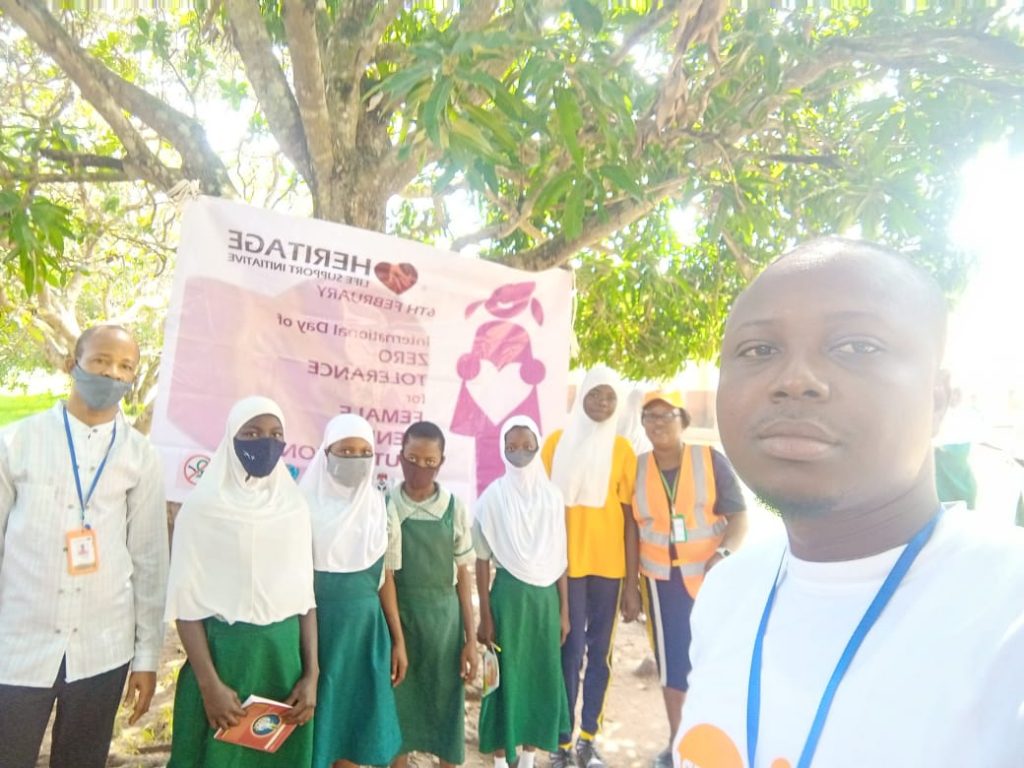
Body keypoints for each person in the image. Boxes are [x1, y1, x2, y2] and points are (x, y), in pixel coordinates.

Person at [674, 238, 1024, 767]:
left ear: (936, 398)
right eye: (759, 350)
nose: (795, 380)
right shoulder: (727, 591)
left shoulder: (1007, 616)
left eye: (857, 346)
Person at [0, 324, 168, 768]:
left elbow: (150, 561)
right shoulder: (17, 441)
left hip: (102, 649)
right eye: (100, 361)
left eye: (125, 367)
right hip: (16, 643)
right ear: (72, 365)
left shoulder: (141, 456)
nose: (112, 374)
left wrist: (146, 657)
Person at [166, 396, 317, 767]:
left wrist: (312, 673)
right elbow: (185, 605)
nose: (266, 442)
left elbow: (306, 600)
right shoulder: (202, 509)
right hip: (223, 663)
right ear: (231, 437)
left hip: (284, 664)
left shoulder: (294, 507)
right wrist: (209, 685)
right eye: (252, 433)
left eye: (276, 434)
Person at [632, 391, 747, 768]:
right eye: (650, 416)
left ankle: (716, 741)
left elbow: (739, 517)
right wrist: (630, 586)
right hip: (660, 581)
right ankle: (678, 743)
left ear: (683, 420)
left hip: (710, 578)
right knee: (672, 664)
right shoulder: (637, 468)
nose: (658, 423)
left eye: (666, 415)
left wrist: (723, 554)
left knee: (714, 659)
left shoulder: (710, 460)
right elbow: (630, 527)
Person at [541, 366, 639, 768]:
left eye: (610, 397)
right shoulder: (555, 444)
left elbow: (631, 521)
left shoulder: (622, 450)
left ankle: (587, 737)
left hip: (609, 569)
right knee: (569, 650)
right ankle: (561, 740)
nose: (601, 403)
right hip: (565, 568)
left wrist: (631, 585)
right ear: (581, 395)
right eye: (595, 394)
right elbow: (542, 508)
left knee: (601, 653)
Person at [300, 414, 405, 768]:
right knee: (316, 730)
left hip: (365, 634)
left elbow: (384, 580)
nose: (355, 459)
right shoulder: (302, 506)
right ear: (326, 452)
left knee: (352, 732)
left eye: (363, 452)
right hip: (315, 630)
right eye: (345, 451)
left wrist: (397, 639)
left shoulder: (379, 508)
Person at [474, 416, 571, 767]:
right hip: (508, 601)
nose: (520, 453)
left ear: (538, 447)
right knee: (503, 678)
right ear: (502, 450)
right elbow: (481, 561)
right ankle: (501, 760)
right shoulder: (492, 498)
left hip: (545, 603)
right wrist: (485, 614)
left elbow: (560, 559)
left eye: (527, 446)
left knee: (538, 676)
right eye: (512, 447)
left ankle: (529, 758)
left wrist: (564, 612)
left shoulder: (552, 498)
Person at [389, 421, 478, 768]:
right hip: (399, 620)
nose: (420, 468)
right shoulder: (387, 504)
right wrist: (395, 638)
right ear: (400, 457)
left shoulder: (453, 508)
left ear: (441, 463)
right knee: (399, 709)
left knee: (446, 709)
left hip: (445, 627)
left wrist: (470, 640)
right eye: (412, 459)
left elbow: (463, 577)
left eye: (429, 462)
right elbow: (386, 577)